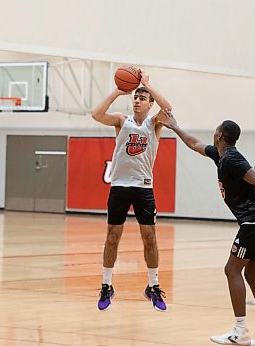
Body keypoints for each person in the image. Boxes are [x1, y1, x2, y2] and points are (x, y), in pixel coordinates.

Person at [160, 112, 255, 345]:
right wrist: (175, 127)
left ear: (219, 135)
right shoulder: (221, 155)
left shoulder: (231, 159)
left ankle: (240, 331)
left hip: (254, 222)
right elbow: (194, 143)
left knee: (232, 270)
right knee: (252, 274)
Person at [91, 71, 172, 312]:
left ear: (149, 104)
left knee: (150, 238)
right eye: (135, 97)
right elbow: (96, 114)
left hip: (144, 188)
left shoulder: (154, 123)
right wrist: (117, 91)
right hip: (119, 187)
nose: (137, 100)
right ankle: (106, 285)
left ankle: (153, 286)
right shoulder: (121, 120)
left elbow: (168, 108)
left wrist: (147, 84)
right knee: (112, 237)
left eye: (142, 98)